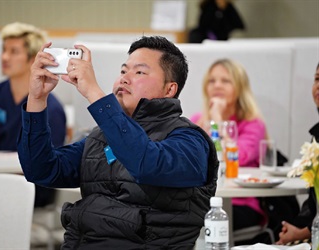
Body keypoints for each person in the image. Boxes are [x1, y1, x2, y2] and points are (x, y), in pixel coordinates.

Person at [17, 36, 218, 249]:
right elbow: (41, 170)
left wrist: (94, 92)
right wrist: (37, 100)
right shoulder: (100, 137)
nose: (124, 78)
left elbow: (145, 162)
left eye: (139, 72)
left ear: (169, 90)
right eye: (123, 71)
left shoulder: (191, 141)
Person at [0, 22, 66, 207]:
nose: (4, 57)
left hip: (32, 189)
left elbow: (51, 162)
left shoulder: (52, 109)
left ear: (32, 59)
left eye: (14, 51)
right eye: (4, 50)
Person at [190, 59, 269, 233]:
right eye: (212, 81)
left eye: (225, 81)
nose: (217, 85)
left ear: (239, 87)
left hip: (239, 203)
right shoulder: (197, 121)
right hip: (202, 200)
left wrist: (217, 120)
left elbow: (238, 157)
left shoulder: (252, 123)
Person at [276, 63, 319, 245]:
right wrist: (298, 229)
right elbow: (314, 200)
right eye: (317, 79)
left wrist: (302, 233)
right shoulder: (317, 135)